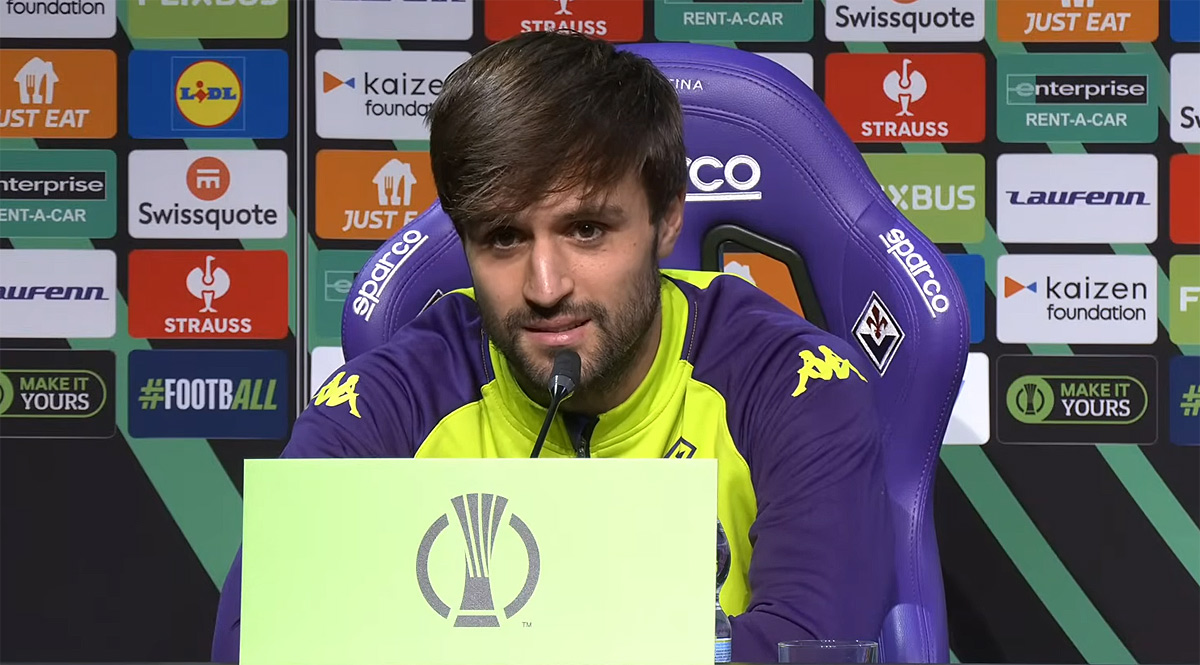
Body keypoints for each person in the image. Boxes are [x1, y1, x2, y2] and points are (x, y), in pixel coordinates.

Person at [212, 30, 894, 663]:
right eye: (504, 237)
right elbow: (256, 641)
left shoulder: (791, 383)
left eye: (587, 230)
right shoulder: (396, 396)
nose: (545, 287)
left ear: (666, 220)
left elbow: (817, 648)